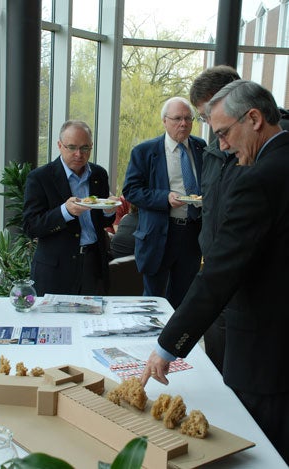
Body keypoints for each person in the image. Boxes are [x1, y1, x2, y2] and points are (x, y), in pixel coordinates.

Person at [141, 80, 289, 465]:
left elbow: (221, 273)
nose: (221, 146)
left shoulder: (259, 179)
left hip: (266, 355)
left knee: (262, 455)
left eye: (223, 133)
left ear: (254, 118)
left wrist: (166, 346)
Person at [122, 97, 207, 309]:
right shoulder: (144, 152)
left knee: (182, 300)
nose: (184, 123)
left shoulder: (200, 147)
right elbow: (131, 191)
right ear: (164, 121)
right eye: (177, 118)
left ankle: (173, 342)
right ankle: (149, 340)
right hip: (159, 234)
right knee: (152, 301)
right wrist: (164, 198)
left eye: (188, 118)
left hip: (192, 234)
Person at [23, 120, 116, 296]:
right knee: (54, 322)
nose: (78, 154)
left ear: (91, 146)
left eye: (85, 148)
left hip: (93, 262)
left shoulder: (99, 174)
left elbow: (102, 221)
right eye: (72, 147)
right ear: (60, 145)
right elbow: (30, 226)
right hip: (56, 268)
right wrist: (65, 212)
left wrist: (108, 210)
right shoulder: (40, 178)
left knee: (92, 321)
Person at [189, 65, 242, 373]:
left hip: (250, 287)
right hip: (215, 273)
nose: (209, 127)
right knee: (215, 364)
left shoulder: (270, 147)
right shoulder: (212, 150)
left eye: (208, 115)